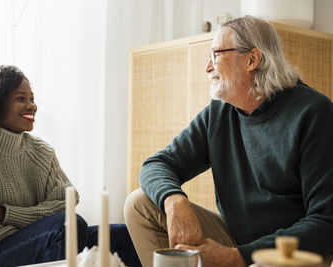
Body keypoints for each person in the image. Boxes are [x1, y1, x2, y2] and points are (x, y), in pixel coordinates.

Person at [124, 15, 333, 267]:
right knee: (140, 204)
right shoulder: (219, 112)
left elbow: (326, 222)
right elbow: (157, 164)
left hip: (288, 255)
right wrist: (174, 200)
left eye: (216, 55)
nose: (208, 67)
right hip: (236, 241)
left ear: (252, 59)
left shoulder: (314, 113)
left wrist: (237, 257)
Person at [0, 65, 141, 267]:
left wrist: (7, 214)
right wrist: (38, 230)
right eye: (21, 99)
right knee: (67, 226)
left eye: (32, 99)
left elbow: (65, 202)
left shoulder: (40, 151)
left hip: (29, 241)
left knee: (121, 236)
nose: (32, 106)